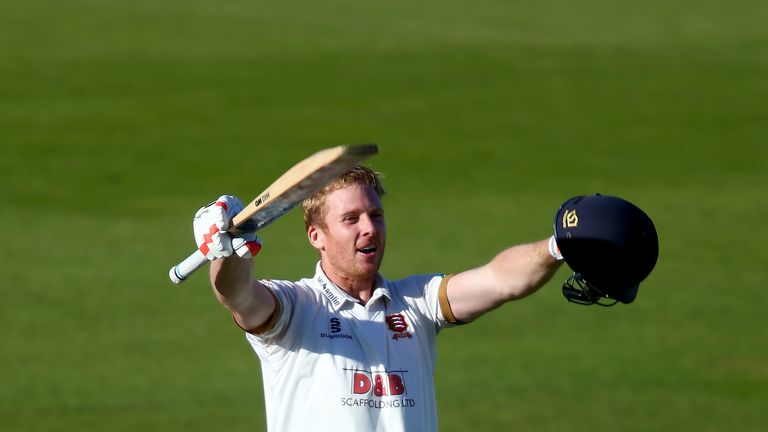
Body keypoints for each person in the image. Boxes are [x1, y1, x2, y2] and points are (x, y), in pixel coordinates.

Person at [191, 166, 564, 431]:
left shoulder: (418, 302)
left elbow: (500, 280)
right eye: (351, 219)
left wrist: (558, 246)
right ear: (316, 235)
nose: (370, 228)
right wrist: (228, 251)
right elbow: (237, 293)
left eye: (376, 215)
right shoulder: (296, 307)